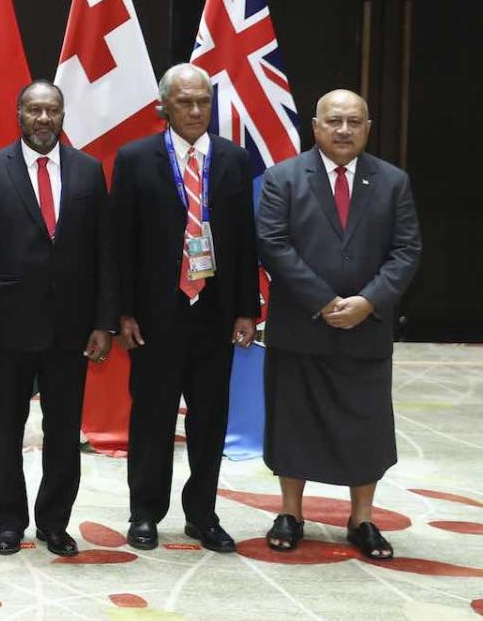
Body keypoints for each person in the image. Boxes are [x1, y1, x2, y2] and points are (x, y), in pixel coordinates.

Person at [256, 89, 421, 559]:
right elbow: (273, 243)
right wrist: (323, 300)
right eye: (334, 121)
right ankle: (290, 513)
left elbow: (407, 250)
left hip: (366, 328)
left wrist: (369, 301)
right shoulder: (283, 178)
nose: (344, 130)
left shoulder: (393, 182)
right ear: (315, 127)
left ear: (368, 128)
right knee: (294, 421)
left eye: (354, 121)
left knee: (365, 425)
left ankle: (362, 518)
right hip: (302, 326)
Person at [0, 80, 115, 557]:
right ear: (19, 115)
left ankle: (54, 522)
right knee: (6, 431)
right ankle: (9, 522)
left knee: (63, 433)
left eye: (52, 110)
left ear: (63, 115)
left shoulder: (88, 170)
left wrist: (103, 322)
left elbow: (105, 253)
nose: (43, 119)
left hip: (70, 328)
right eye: (34, 110)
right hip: (5, 328)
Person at [111, 63, 258, 552]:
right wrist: (123, 312)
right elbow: (121, 242)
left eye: (203, 102)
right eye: (185, 102)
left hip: (216, 313)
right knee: (152, 418)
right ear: (164, 107)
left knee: (210, 420)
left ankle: (202, 514)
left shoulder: (235, 159)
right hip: (155, 315)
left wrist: (246, 309)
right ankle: (145, 513)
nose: (196, 111)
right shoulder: (135, 159)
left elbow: (245, 241)